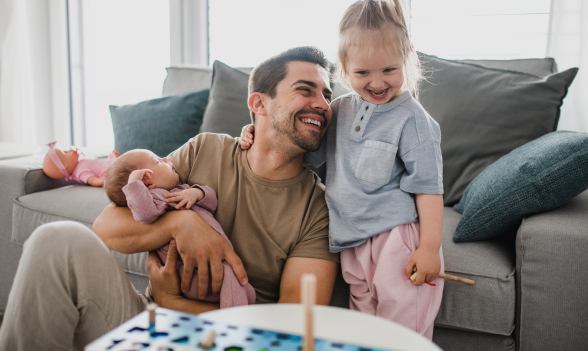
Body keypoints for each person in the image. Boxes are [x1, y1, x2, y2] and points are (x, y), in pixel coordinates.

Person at [0, 46, 338, 351]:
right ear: (259, 103)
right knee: (56, 239)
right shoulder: (207, 149)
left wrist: (175, 305)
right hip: (145, 321)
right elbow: (106, 227)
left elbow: (294, 329)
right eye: (305, 90)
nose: (323, 104)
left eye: (327, 94)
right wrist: (181, 222)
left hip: (222, 339)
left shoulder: (317, 208)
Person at [240, 0, 444, 339]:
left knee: (402, 333)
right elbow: (302, 145)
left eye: (389, 70)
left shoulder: (413, 120)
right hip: (350, 242)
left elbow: (428, 188)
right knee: (360, 330)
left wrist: (429, 248)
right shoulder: (340, 110)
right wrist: (254, 131)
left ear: (406, 60)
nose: (377, 82)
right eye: (363, 72)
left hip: (394, 239)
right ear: (345, 70)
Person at [103, 148, 256, 307]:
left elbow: (211, 203)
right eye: (157, 161)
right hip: (192, 271)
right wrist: (134, 185)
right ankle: (236, 321)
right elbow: (144, 213)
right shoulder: (155, 199)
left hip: (210, 261)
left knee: (248, 294)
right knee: (233, 288)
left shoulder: (179, 190)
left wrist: (197, 193)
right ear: (147, 181)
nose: (166, 159)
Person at [42, 141, 120, 187]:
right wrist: (101, 180)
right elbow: (92, 180)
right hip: (108, 173)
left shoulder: (80, 164)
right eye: (66, 153)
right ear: (65, 166)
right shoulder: (80, 172)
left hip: (110, 168)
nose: (70, 150)